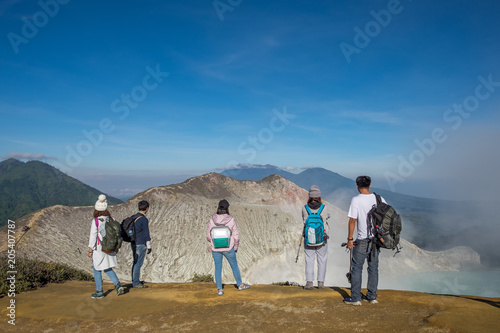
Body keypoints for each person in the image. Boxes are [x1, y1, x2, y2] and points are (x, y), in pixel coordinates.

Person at [344, 176, 386, 305]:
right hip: (376, 240)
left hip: (362, 240)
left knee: (357, 268)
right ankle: (372, 296)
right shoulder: (379, 198)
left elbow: (352, 220)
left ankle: (356, 298)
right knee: (373, 268)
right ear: (370, 185)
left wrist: (350, 239)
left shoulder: (356, 200)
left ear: (357, 186)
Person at [206, 199, 250, 296]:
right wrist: (235, 247)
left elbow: (208, 236)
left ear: (218, 208)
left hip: (216, 249)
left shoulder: (212, 220)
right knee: (234, 267)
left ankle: (220, 290)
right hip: (228, 248)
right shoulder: (231, 220)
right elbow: (236, 236)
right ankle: (240, 285)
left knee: (218, 268)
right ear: (227, 209)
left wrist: (213, 243)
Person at [88, 194, 125, 299]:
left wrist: (90, 249)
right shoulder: (111, 218)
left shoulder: (96, 221)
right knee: (107, 267)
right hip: (110, 247)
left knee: (97, 269)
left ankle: (99, 291)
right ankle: (118, 285)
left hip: (99, 248)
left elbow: (93, 236)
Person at [302, 185, 330, 290]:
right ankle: (321, 283)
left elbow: (304, 221)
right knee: (322, 259)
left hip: (309, 238)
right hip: (322, 238)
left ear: (310, 196)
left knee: (309, 259)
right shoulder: (324, 208)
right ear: (319, 196)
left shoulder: (304, 208)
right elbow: (327, 217)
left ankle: (309, 282)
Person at [131, 200, 152, 288]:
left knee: (135, 262)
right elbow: (146, 234)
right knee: (138, 263)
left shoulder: (133, 217)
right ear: (146, 209)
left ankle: (134, 280)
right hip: (140, 243)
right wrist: (149, 246)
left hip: (133, 243)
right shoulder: (143, 219)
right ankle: (136, 283)